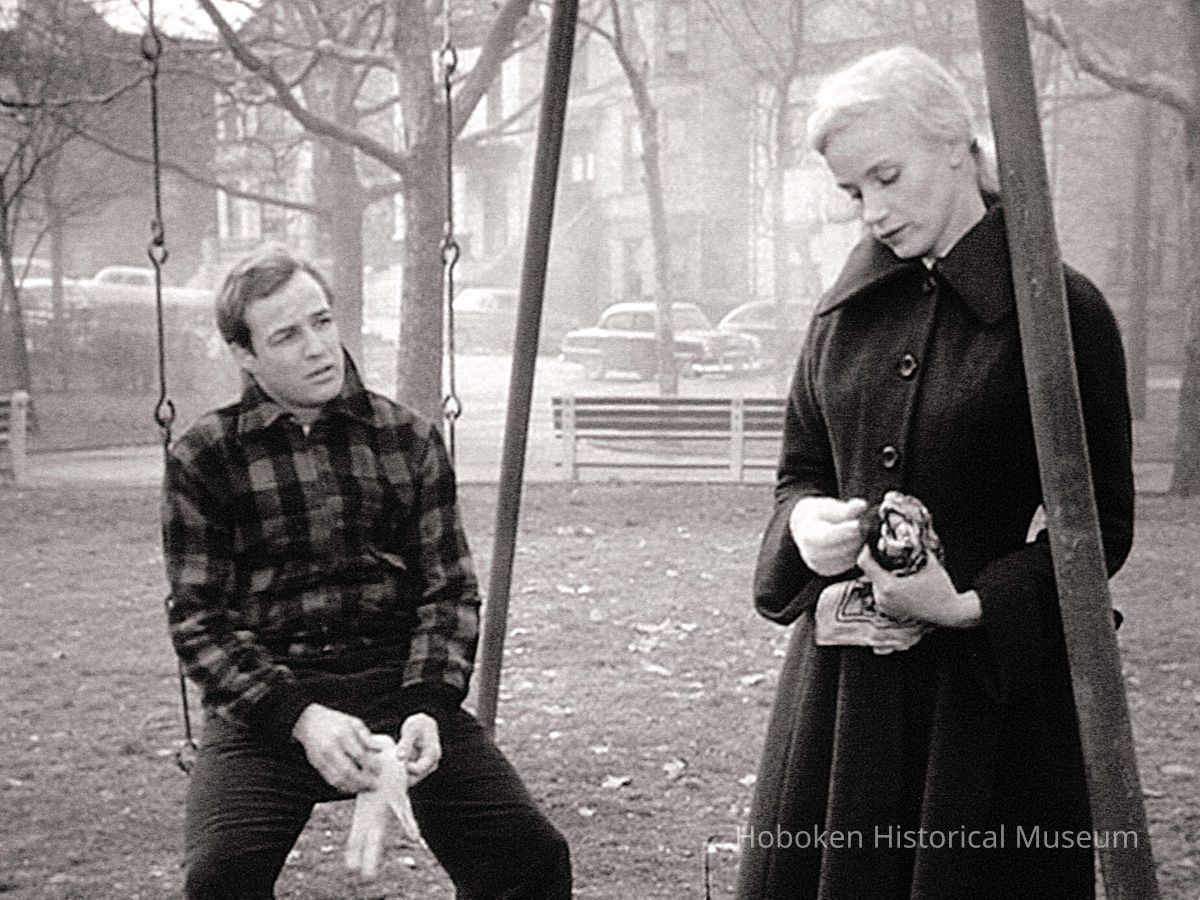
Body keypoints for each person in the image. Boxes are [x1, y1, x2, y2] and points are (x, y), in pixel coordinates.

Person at [737, 47, 1134, 899]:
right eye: (853, 193)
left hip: (984, 711)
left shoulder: (1064, 314)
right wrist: (805, 527)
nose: (873, 211)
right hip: (840, 707)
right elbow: (797, 474)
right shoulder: (843, 314)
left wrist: (966, 605)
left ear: (956, 142)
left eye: (887, 176)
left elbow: (1101, 526)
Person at [162, 245, 571, 899]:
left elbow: (450, 587)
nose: (318, 348)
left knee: (529, 855)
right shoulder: (206, 457)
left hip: (396, 686)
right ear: (244, 354)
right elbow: (198, 620)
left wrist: (426, 705)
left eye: (322, 322)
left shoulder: (405, 438)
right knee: (220, 876)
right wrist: (299, 717)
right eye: (287, 335)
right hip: (271, 707)